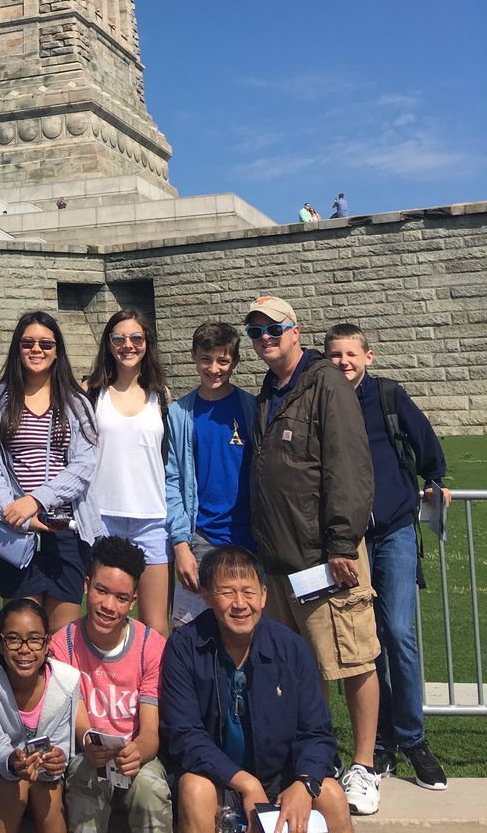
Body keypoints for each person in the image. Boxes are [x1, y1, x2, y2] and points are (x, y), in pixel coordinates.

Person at [247, 295, 381, 816]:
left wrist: (343, 542)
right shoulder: (267, 391)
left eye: (273, 329)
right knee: (304, 670)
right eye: (256, 332)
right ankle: (316, 760)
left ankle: (364, 765)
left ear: (295, 330)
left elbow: (349, 464)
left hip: (326, 558)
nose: (264, 339)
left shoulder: (325, 382)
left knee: (352, 659)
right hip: (280, 562)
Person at [325, 322, 449, 790]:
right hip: (349, 541)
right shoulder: (325, 402)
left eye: (351, 354)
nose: (344, 363)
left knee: (398, 631)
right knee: (365, 639)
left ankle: (413, 738)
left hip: (395, 529)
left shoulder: (388, 396)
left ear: (368, 357)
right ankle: (377, 741)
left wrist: (436, 482)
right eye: (335, 355)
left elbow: (426, 443)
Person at [159, 544, 352, 833]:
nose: (240, 603)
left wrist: (305, 781)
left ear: (263, 596)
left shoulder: (291, 648)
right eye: (227, 592)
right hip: (217, 778)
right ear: (207, 596)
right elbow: (184, 734)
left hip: (281, 778)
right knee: (195, 789)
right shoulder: (184, 646)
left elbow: (316, 732)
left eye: (249, 592)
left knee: (332, 795)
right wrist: (245, 783)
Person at [0, 311, 102, 632]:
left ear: (58, 350)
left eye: (46, 344)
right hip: (15, 530)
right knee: (23, 637)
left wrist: (37, 501)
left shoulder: (75, 402)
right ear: (17, 348)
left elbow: (85, 464)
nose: (37, 350)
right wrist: (15, 511)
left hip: (64, 530)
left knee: (63, 640)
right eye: (28, 343)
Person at [50, 535, 172, 833]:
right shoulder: (63, 645)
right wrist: (89, 743)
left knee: (150, 789)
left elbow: (150, 732)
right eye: (101, 591)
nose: (108, 606)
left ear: (133, 602)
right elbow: (81, 726)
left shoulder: (150, 647)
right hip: (88, 755)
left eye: (120, 598)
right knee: (85, 783)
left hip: (137, 756)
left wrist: (139, 751)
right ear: (86, 586)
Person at [86, 308, 172, 635]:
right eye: (119, 338)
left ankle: (153, 687)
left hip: (152, 518)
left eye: (136, 338)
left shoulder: (161, 396)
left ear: (147, 343)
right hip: (103, 516)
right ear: (108, 344)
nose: (128, 345)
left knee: (155, 625)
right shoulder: (92, 392)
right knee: (106, 620)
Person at [0, 597, 81, 833]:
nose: (25, 649)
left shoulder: (67, 681)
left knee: (47, 788)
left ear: (47, 644)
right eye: (14, 639)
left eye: (35, 639)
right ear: (0, 642)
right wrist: (13, 762)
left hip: (45, 777)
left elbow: (61, 747)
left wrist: (55, 760)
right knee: (15, 785)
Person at [166, 321, 256, 595]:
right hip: (200, 535)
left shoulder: (251, 408)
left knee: (246, 623)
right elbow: (172, 479)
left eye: (223, 361)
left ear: (235, 361)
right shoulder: (180, 413)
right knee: (197, 629)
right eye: (206, 360)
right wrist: (181, 542)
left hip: (249, 536)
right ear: (194, 356)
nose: (214, 369)